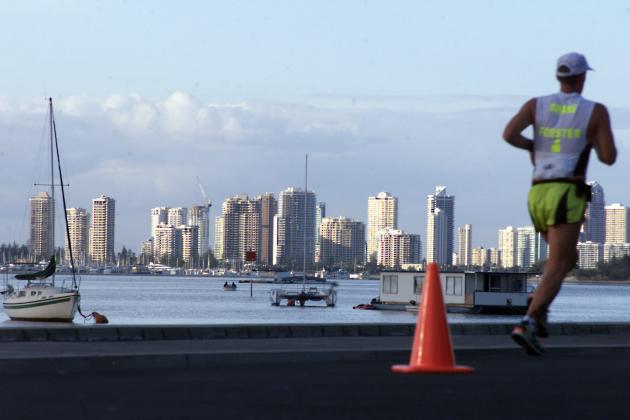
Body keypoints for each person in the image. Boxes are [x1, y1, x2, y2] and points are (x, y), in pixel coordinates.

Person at [502, 52, 617, 355]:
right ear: (582, 77)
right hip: (567, 193)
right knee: (559, 264)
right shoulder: (595, 111)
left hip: (538, 193)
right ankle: (527, 321)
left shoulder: (535, 105)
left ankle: (538, 308)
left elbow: (509, 134)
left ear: (558, 77)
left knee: (567, 261)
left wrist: (535, 147)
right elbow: (608, 157)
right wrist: (590, 137)